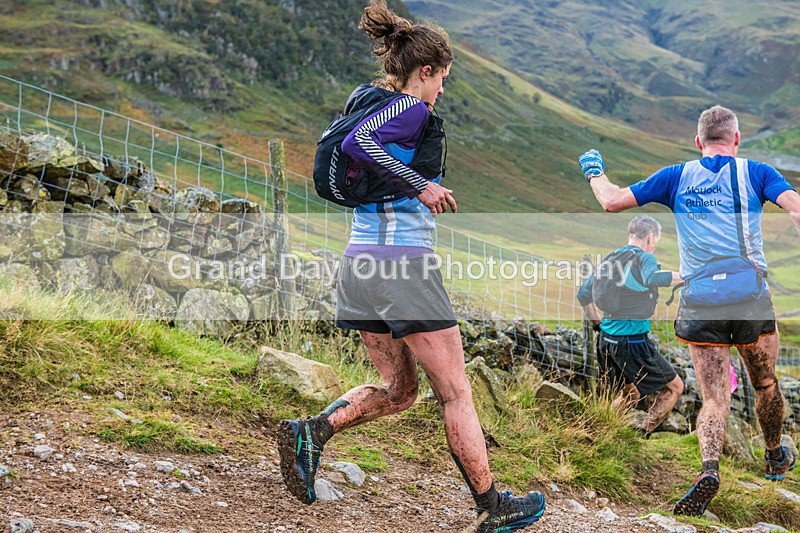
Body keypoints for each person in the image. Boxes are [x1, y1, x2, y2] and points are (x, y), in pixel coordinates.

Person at [277, 2, 546, 531]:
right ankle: (492, 507)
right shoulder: (409, 109)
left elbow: (358, 147)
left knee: (400, 389)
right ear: (425, 72)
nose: (442, 90)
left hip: (359, 266)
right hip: (404, 269)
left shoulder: (367, 101)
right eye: (441, 78)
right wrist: (421, 184)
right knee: (455, 392)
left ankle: (312, 433)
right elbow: (359, 143)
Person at [578, 105, 800, 517]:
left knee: (715, 397)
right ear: (736, 140)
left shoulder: (675, 176)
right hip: (749, 298)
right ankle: (774, 455)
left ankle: (708, 470)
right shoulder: (756, 172)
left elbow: (611, 202)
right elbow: (795, 206)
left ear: (699, 143)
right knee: (765, 384)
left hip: (699, 301)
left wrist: (594, 171)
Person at [577, 215, 684, 436]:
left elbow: (583, 294)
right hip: (632, 342)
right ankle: (640, 434)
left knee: (630, 395)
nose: (655, 245)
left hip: (606, 341)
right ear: (650, 237)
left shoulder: (610, 259)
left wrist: (598, 323)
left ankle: (599, 435)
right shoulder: (644, 258)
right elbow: (652, 278)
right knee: (675, 387)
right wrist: (689, 276)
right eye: (656, 241)